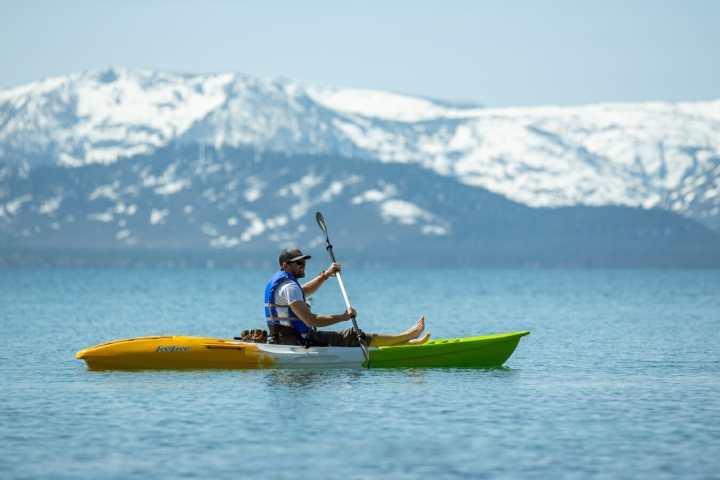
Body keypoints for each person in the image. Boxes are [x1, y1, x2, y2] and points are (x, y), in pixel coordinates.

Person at [264, 248, 430, 347]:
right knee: (355, 334)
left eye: (304, 262)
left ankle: (403, 343)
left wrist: (326, 275)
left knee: (352, 336)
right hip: (300, 341)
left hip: (283, 339)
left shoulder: (280, 284)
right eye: (298, 263)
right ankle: (407, 336)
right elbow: (311, 321)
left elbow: (304, 290)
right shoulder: (290, 287)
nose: (303, 265)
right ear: (285, 265)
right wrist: (343, 317)